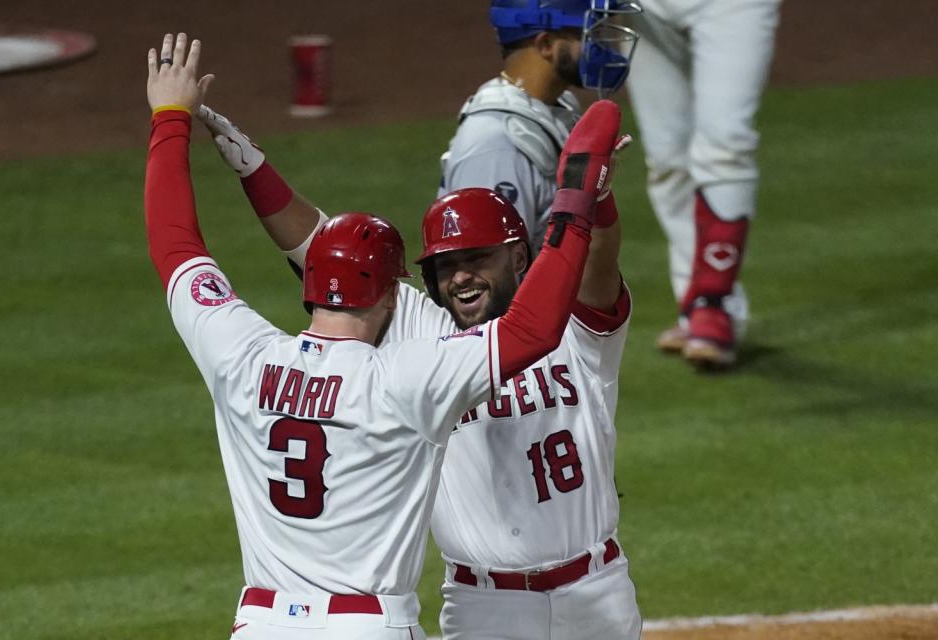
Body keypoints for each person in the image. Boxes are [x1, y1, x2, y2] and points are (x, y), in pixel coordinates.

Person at [144, 32, 624, 640]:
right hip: (390, 622)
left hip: (265, 623)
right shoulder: (407, 377)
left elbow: (179, 246)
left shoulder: (244, 358)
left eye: (475, 259)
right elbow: (533, 326)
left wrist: (173, 122)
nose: (460, 276)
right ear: (401, 291)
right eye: (444, 265)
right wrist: (577, 202)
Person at [625, 0, 782, 368]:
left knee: (727, 144)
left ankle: (714, 303)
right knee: (667, 159)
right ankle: (694, 308)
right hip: (642, 7)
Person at [438, 0, 642, 252]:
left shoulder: (555, 110)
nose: (599, 47)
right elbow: (490, 273)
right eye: (589, 34)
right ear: (546, 45)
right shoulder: (498, 144)